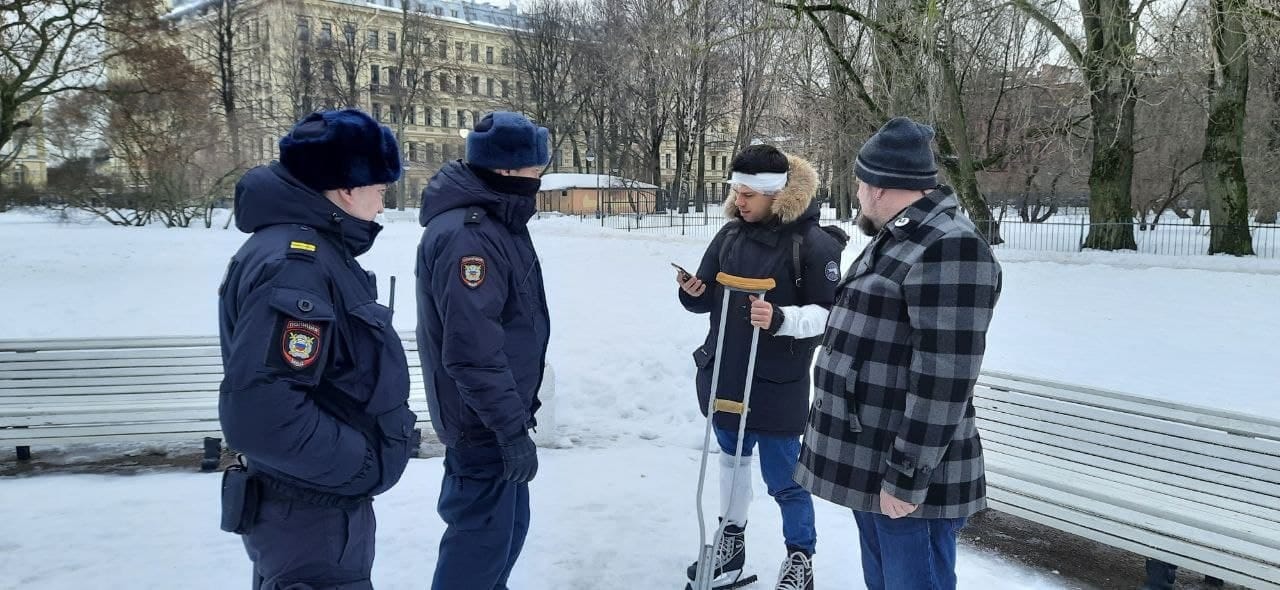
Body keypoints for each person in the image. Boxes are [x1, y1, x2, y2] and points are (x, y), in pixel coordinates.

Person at [794, 116, 1003, 590]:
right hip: (875, 463)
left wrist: (907, 477)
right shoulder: (901, 238)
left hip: (908, 479)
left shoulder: (950, 247)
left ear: (880, 187)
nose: (858, 193)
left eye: (860, 182)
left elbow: (943, 380)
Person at [217, 108, 418, 589]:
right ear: (348, 187)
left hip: (307, 505)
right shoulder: (297, 265)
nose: (383, 204)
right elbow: (263, 415)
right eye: (380, 189)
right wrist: (362, 464)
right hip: (312, 511)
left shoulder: (307, 250)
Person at [679, 144, 846, 590]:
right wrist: (694, 292)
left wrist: (781, 319)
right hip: (727, 373)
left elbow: (832, 316)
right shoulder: (729, 236)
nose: (740, 201)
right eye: (737, 191)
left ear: (777, 194)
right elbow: (706, 296)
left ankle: (800, 558)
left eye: (750, 193)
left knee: (785, 478)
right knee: (731, 465)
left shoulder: (814, 244)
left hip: (777, 383)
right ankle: (730, 544)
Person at [415, 111, 552, 590]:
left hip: (498, 417)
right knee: (478, 547)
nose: (540, 177)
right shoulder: (470, 236)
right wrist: (510, 430)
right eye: (537, 168)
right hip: (483, 425)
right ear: (510, 170)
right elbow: (472, 351)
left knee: (504, 539)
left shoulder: (498, 221)